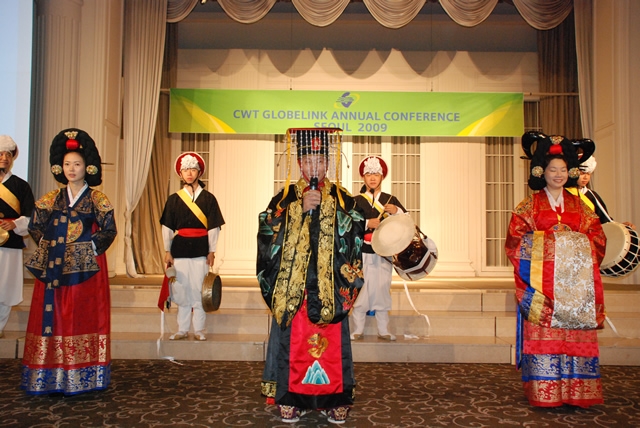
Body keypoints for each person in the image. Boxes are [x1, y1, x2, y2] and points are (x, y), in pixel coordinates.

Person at [257, 128, 365, 424]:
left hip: (330, 288)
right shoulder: (284, 197)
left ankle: (335, 399)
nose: (314, 167)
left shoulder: (342, 197)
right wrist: (297, 209)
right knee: (292, 341)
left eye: (319, 161)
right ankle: (291, 398)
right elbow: (267, 229)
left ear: (328, 164)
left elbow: (356, 230)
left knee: (333, 343)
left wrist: (331, 212)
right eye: (308, 161)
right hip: (296, 288)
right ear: (299, 164)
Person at [505, 131, 606, 408]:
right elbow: (515, 241)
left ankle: (577, 392)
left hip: (575, 288)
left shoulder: (581, 207)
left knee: (574, 337)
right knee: (545, 338)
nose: (558, 175)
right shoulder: (529, 206)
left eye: (562, 170)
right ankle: (544, 392)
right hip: (543, 287)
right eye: (552, 170)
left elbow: (597, 238)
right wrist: (556, 244)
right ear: (542, 172)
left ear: (570, 171)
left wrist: (572, 245)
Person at [22, 128, 117, 395]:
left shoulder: (98, 199)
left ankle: (84, 373)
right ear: (60, 167)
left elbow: (109, 230)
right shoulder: (51, 198)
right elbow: (35, 225)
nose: (72, 169)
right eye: (67, 164)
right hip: (54, 267)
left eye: (77, 164)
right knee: (53, 317)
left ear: (87, 168)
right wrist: (49, 244)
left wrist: (87, 248)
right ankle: (49, 374)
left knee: (80, 316)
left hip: (86, 270)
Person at [160, 152, 224, 341]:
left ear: (199, 172)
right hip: (180, 249)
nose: (189, 173)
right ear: (180, 174)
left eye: (193, 169)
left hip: (201, 248)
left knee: (199, 289)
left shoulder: (209, 199)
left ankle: (199, 329)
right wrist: (167, 250)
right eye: (185, 170)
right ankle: (182, 329)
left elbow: (214, 228)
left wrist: (212, 250)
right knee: (181, 289)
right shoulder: (173, 199)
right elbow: (167, 227)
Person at [350, 155, 406, 341]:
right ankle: (358, 329)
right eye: (369, 174)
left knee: (382, 288)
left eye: (376, 174)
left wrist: (396, 211)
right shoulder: (355, 201)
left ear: (382, 177)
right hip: (362, 253)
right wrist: (366, 223)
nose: (372, 178)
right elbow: (346, 224)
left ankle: (383, 329)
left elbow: (405, 223)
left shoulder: (390, 199)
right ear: (363, 177)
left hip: (384, 253)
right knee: (362, 289)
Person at [0, 136, 35, 338]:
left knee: (5, 287)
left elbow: (31, 217)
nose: (4, 158)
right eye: (0, 154)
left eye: (8, 154)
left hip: (10, 244)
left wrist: (15, 224)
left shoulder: (21, 186)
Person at [573, 155, 635, 229]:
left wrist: (622, 227)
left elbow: (605, 220)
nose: (586, 177)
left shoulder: (592, 195)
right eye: (582, 173)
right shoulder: (565, 193)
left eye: (588, 174)